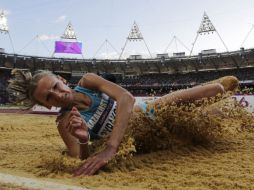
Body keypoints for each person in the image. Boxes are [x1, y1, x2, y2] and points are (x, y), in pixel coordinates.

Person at [7, 69, 239, 176]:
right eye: (48, 97)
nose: (57, 95)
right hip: (145, 139)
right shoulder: (65, 123)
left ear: (62, 80)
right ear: (46, 106)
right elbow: (81, 158)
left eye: (56, 87)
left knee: (216, 89)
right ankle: (218, 112)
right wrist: (85, 140)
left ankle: (212, 87)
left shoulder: (88, 81)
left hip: (151, 111)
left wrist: (110, 147)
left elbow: (126, 98)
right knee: (216, 118)